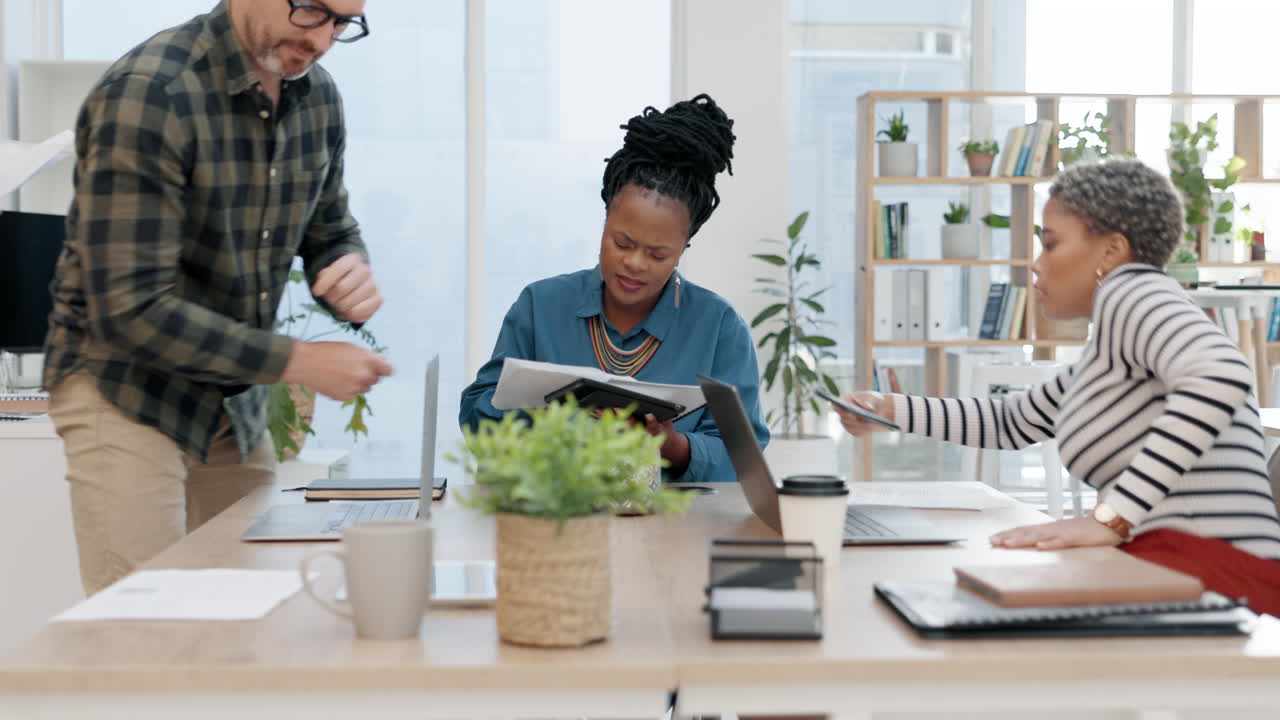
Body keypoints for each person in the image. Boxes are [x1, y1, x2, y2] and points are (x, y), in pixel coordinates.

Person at [43, 0, 393, 595]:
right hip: (127, 387)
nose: (325, 41)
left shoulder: (317, 97)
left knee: (249, 604)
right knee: (141, 628)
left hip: (232, 398)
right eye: (313, 11)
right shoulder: (152, 94)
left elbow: (329, 225)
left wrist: (344, 264)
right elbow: (131, 308)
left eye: (344, 23)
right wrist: (299, 361)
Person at [836, 158, 1280, 614]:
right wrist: (888, 408)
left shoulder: (1134, 291)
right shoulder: (1111, 350)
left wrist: (1110, 518)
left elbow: (1220, 374)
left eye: (1050, 244)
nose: (1035, 265)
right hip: (1185, 571)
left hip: (1219, 579)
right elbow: (1011, 421)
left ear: (1111, 253)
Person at [460, 94, 768, 484]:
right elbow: (476, 418)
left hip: (672, 531)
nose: (635, 263)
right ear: (605, 218)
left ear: (683, 247)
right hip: (553, 520)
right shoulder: (540, 306)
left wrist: (673, 446)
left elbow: (745, 456)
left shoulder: (719, 327)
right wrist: (549, 422)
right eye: (622, 243)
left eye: (657, 254)